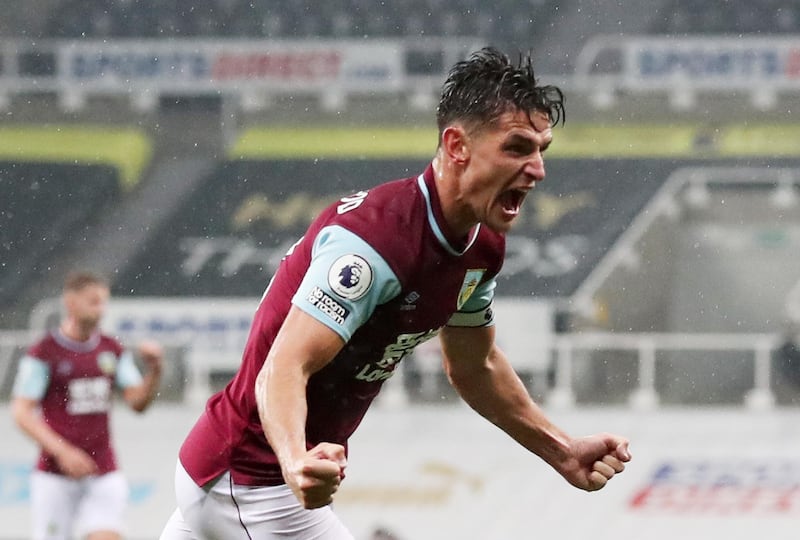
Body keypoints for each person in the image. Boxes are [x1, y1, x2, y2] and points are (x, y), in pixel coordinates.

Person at [159, 47, 632, 540]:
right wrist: (297, 460)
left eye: (541, 150)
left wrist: (561, 449)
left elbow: (477, 366)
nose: (537, 168)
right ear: (457, 147)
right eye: (516, 148)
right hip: (251, 478)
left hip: (252, 477)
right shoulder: (374, 242)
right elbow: (283, 368)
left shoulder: (482, 247)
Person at [11, 271, 163, 540]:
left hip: (102, 469)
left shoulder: (111, 349)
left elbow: (137, 403)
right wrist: (63, 452)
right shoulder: (45, 351)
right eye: (93, 302)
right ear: (71, 303)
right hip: (54, 475)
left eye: (103, 302)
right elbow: (21, 412)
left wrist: (155, 370)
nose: (100, 309)